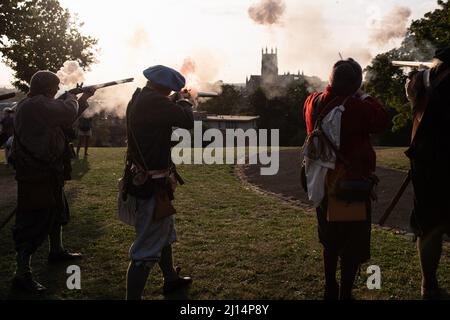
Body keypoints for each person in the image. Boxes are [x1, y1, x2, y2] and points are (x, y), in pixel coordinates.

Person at [302, 58, 389, 300]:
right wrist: (363, 95)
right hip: (350, 184)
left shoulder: (313, 101)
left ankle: (330, 288)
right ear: (355, 84)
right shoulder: (357, 107)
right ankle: (345, 294)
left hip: (320, 183)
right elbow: (382, 120)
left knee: (329, 241)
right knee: (351, 245)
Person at [11, 70, 96, 293]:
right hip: (37, 174)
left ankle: (56, 250)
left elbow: (63, 120)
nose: (57, 90)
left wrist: (83, 98)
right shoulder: (35, 104)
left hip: (47, 172)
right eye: (56, 87)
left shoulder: (37, 105)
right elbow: (67, 111)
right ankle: (22, 274)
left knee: (56, 212)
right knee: (33, 221)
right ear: (48, 88)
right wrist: (71, 95)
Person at [123, 65, 194, 300]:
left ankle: (171, 278)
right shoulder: (155, 102)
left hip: (149, 180)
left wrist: (173, 99)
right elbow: (186, 122)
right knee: (146, 250)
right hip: (151, 183)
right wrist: (184, 101)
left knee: (164, 235)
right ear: (165, 88)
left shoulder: (141, 98)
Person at [404, 47, 450, 300]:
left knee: (429, 227)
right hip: (432, 163)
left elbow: (412, 100)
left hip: (429, 164)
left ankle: (428, 284)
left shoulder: (428, 77)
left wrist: (415, 79)